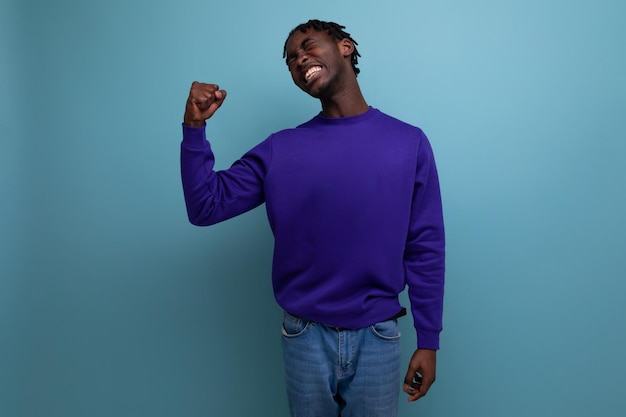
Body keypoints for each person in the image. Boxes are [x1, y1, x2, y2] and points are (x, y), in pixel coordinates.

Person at [180, 19, 445, 417]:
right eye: (290, 59)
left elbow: (425, 245)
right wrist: (194, 128)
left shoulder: (408, 142)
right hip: (303, 334)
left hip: (378, 333)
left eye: (307, 46)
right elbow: (206, 206)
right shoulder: (281, 149)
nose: (299, 59)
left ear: (346, 47)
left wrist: (428, 340)